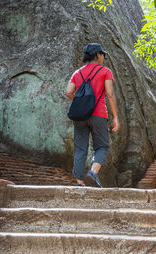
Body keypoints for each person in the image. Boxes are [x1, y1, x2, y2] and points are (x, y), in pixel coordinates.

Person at [65, 43, 119, 187]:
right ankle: (93, 173)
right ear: (97, 55)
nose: (103, 57)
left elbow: (69, 92)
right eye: (102, 55)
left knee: (80, 148)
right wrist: (116, 117)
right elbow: (110, 93)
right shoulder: (105, 71)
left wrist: (82, 104)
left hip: (80, 116)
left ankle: (79, 182)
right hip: (99, 114)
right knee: (102, 146)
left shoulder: (77, 73)